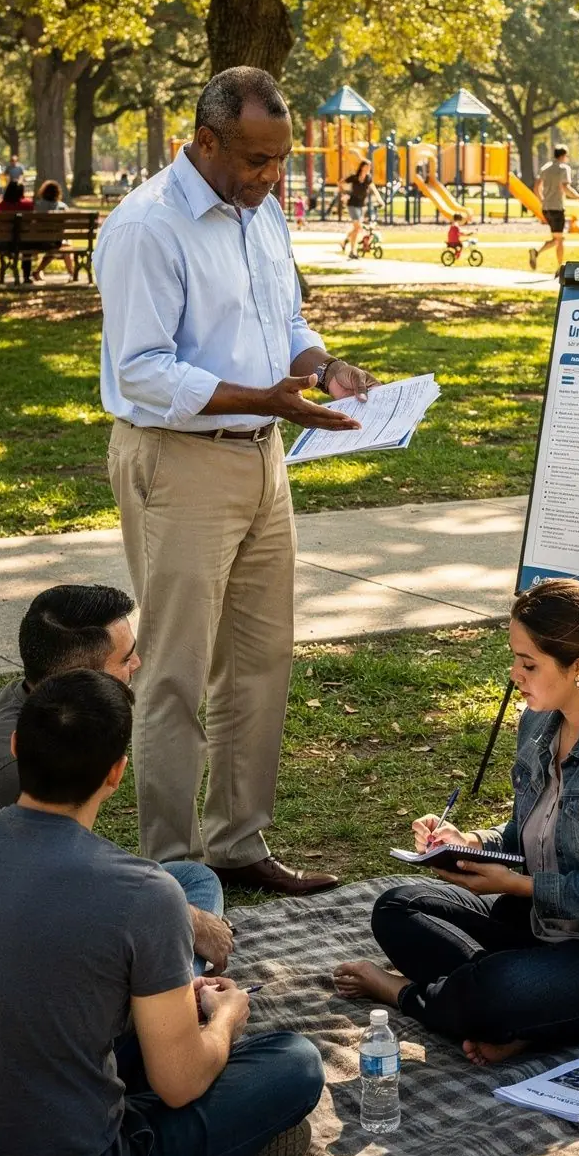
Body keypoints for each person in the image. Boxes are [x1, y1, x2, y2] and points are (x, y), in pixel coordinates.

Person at [94, 65, 381, 893]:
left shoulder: (263, 213)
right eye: (257, 159)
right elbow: (143, 370)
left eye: (281, 159)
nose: (271, 176)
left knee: (259, 660)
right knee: (175, 669)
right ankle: (174, 870)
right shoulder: (149, 226)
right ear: (206, 140)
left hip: (263, 457)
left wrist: (323, 366)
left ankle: (237, 842)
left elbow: (283, 319)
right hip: (178, 461)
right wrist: (264, 398)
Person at [0, 669, 325, 1156]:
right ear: (117, 771)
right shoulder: (144, 894)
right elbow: (179, 1083)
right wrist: (227, 1018)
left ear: (16, 745)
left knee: (191, 879)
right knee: (296, 1063)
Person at [335, 577, 579, 1064]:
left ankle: (408, 994)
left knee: (494, 990)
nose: (515, 674)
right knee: (397, 908)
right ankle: (525, 1012)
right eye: (515, 658)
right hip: (549, 928)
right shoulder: (540, 720)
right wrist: (469, 842)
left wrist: (519, 886)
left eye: (529, 663)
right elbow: (529, 833)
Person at [0, 582, 234, 975]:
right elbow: (51, 891)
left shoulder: (31, 704)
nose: (138, 664)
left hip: (38, 888)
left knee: (192, 878)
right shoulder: (13, 771)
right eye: (125, 659)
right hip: (20, 935)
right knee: (172, 903)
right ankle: (175, 988)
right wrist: (189, 921)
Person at [529, 145, 579, 272]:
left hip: (546, 208)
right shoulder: (563, 168)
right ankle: (560, 268)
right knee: (559, 239)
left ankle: (536, 253)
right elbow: (565, 187)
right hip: (557, 208)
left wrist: (542, 200)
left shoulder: (545, 168)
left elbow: (536, 186)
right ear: (563, 155)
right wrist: (578, 196)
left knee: (557, 238)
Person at [32, 178, 75, 280]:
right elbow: (66, 225)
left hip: (37, 241)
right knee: (66, 246)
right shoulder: (62, 207)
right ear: (58, 193)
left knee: (60, 247)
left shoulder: (37, 206)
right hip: (55, 241)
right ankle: (72, 274)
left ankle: (38, 272)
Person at [340, 158, 379, 259]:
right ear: (362, 167)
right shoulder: (354, 177)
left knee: (357, 229)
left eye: (369, 167)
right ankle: (353, 251)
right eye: (366, 167)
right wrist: (344, 193)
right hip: (352, 204)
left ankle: (345, 242)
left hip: (361, 205)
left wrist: (380, 200)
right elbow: (340, 182)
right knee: (358, 227)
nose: (368, 169)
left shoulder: (368, 178)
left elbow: (374, 189)